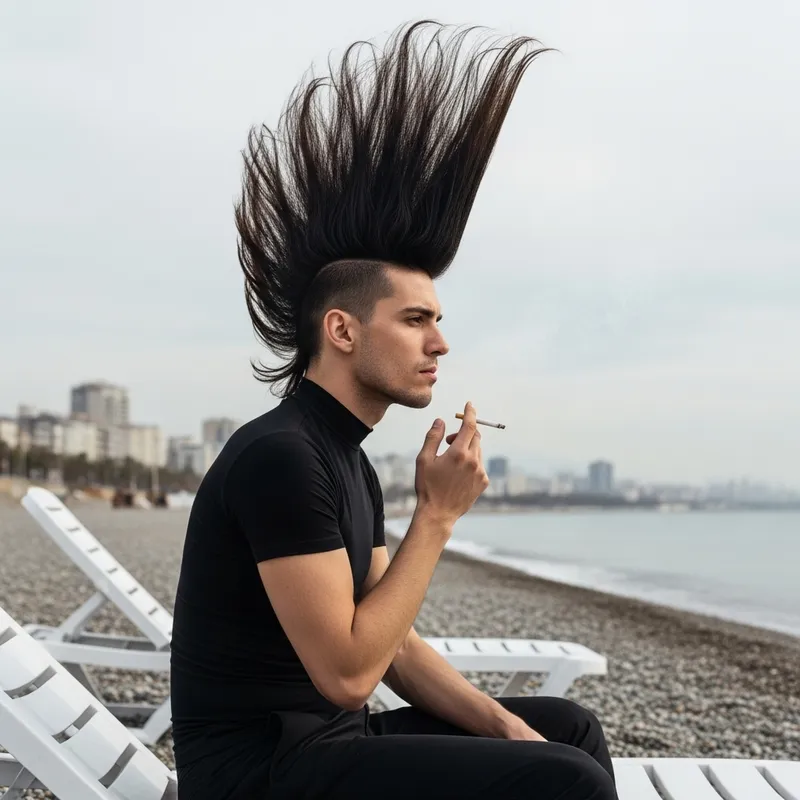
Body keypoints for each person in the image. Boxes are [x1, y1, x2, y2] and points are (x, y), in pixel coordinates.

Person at [170, 20, 618, 800]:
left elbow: (398, 648)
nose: (440, 343)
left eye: (438, 321)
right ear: (342, 330)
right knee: (565, 782)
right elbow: (348, 672)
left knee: (565, 731)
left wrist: (507, 728)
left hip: (325, 748)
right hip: (263, 775)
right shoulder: (282, 456)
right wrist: (438, 517)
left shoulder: (345, 457)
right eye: (416, 320)